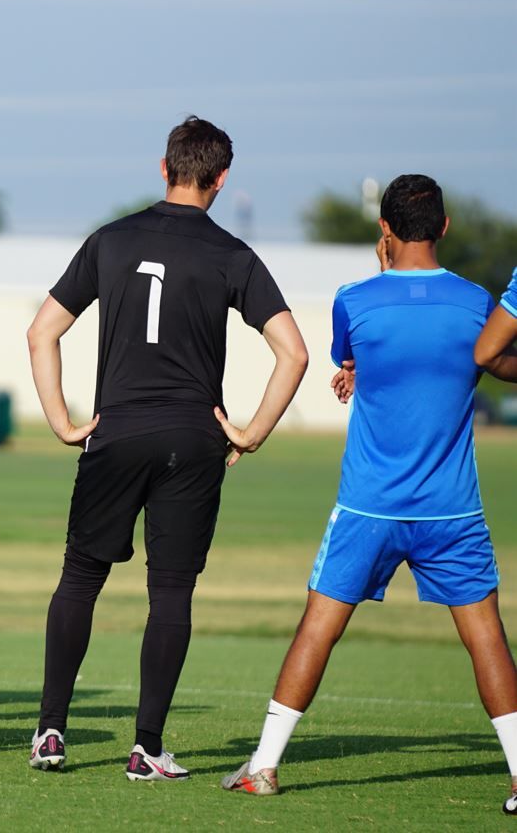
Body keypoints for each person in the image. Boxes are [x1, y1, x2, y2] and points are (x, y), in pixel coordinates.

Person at [222, 175, 517, 815]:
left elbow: (353, 357)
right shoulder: (476, 303)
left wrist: (373, 296)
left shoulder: (353, 300)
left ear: (384, 232)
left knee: (317, 630)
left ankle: (264, 767)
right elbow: (483, 360)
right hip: (452, 509)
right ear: (444, 227)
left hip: (369, 507)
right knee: (487, 636)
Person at [26, 116, 308, 778]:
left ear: (163, 167)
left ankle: (49, 733)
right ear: (220, 178)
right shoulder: (231, 254)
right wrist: (251, 432)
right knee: (170, 591)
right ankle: (144, 748)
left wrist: (64, 421)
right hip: (192, 436)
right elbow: (292, 354)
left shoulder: (110, 239)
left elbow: (41, 333)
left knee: (79, 579)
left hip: (114, 429)